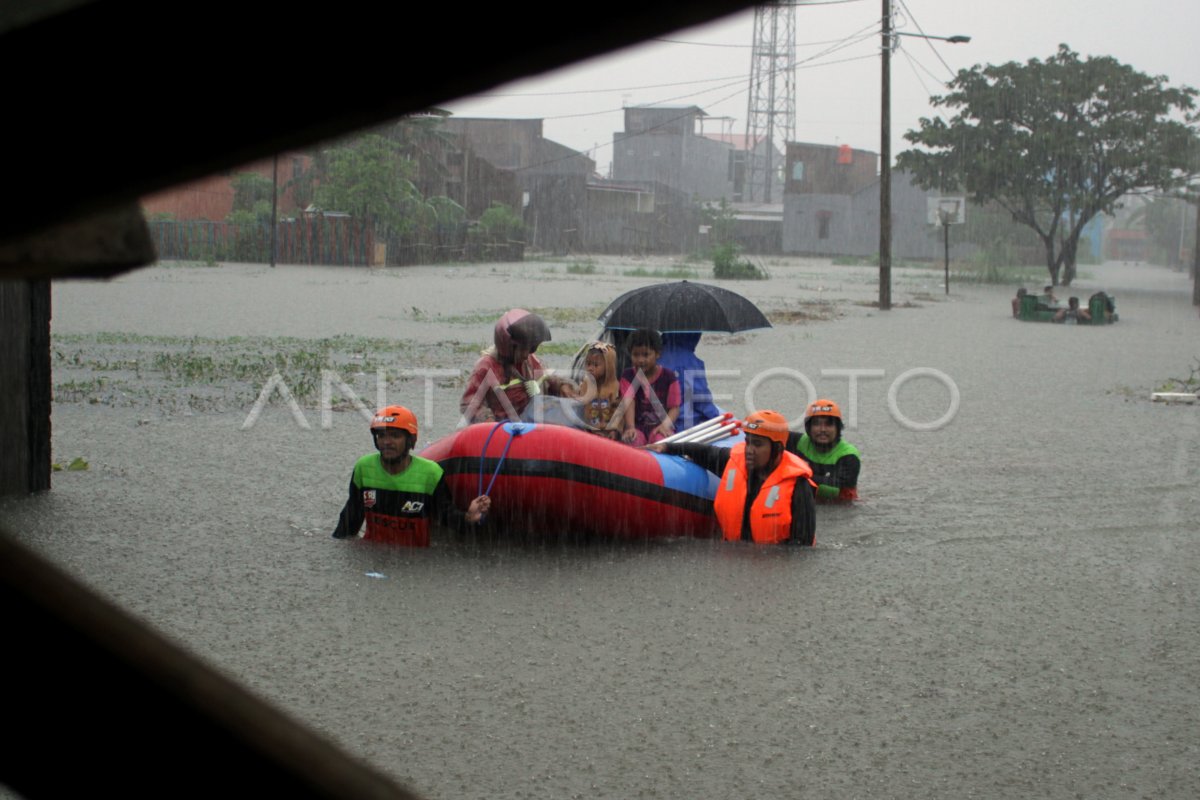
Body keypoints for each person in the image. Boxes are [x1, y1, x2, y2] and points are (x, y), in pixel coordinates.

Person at [648, 410, 816, 545]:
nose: (749, 450)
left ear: (778, 449)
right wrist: (666, 447)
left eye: (757, 444)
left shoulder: (798, 485)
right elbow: (703, 452)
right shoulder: (735, 461)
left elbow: (802, 548)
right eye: (748, 442)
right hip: (734, 556)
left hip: (772, 567)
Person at [332, 405, 490, 545]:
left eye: (395, 435)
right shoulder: (364, 468)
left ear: (411, 440)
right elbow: (350, 519)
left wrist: (468, 518)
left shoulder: (430, 473)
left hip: (415, 557)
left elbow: (445, 517)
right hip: (373, 552)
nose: (386, 442)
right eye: (382, 436)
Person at [460, 308, 568, 424]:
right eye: (522, 350)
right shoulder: (486, 367)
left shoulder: (529, 362)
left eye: (531, 348)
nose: (526, 355)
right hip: (501, 427)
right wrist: (489, 422)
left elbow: (545, 378)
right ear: (507, 346)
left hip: (526, 422)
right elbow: (469, 404)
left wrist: (561, 385)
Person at [787, 399, 861, 503]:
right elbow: (770, 436)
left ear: (838, 428)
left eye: (829, 424)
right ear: (808, 428)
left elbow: (837, 488)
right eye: (816, 424)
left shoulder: (849, 455)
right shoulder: (798, 442)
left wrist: (801, 474)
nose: (822, 429)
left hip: (840, 507)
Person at [619, 328, 680, 445]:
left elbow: (674, 408)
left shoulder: (669, 377)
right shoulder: (628, 376)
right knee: (633, 440)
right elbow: (629, 402)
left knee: (661, 442)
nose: (640, 360)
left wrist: (665, 425)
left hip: (661, 426)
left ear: (657, 353)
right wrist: (630, 427)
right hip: (637, 427)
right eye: (635, 355)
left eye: (646, 355)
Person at [659, 332, 725, 433]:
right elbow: (701, 398)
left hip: (659, 420)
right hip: (683, 423)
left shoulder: (655, 354)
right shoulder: (689, 361)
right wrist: (715, 417)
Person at [568, 340, 624, 440]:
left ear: (608, 367)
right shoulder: (585, 384)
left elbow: (618, 413)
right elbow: (581, 407)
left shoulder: (614, 387)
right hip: (588, 430)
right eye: (588, 364)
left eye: (595, 365)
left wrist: (613, 430)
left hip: (608, 432)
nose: (590, 368)